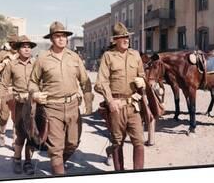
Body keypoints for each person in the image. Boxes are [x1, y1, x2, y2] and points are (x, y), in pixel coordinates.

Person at [28, 21, 93, 175]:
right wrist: (35, 94)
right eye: (57, 36)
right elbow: (32, 82)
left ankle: (59, 163)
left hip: (72, 107)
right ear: (51, 39)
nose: (61, 39)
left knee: (72, 143)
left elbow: (85, 81)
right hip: (52, 108)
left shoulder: (74, 57)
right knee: (56, 148)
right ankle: (58, 170)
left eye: (63, 36)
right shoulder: (43, 58)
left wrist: (88, 102)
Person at [94, 22, 147, 171]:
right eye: (121, 37)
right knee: (117, 142)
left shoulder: (135, 55)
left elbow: (142, 75)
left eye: (127, 37)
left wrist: (142, 80)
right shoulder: (108, 56)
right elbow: (100, 82)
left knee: (139, 141)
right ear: (114, 40)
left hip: (133, 105)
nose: (125, 40)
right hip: (116, 106)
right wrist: (110, 101)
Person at [0, 35, 37, 175]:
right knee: (20, 134)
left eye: (29, 47)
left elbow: (45, 82)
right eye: (23, 47)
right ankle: (17, 159)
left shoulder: (37, 64)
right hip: (20, 104)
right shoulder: (11, 65)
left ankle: (28, 162)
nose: (26, 49)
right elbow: (3, 84)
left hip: (35, 104)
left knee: (32, 135)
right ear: (18, 49)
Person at [0, 34, 19, 147]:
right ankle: (2, 133)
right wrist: (0, 64)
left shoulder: (20, 55)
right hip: (5, 89)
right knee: (4, 116)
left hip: (17, 89)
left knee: (16, 117)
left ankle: (15, 140)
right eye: (12, 43)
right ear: (10, 43)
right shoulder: (3, 54)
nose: (14, 46)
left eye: (16, 44)